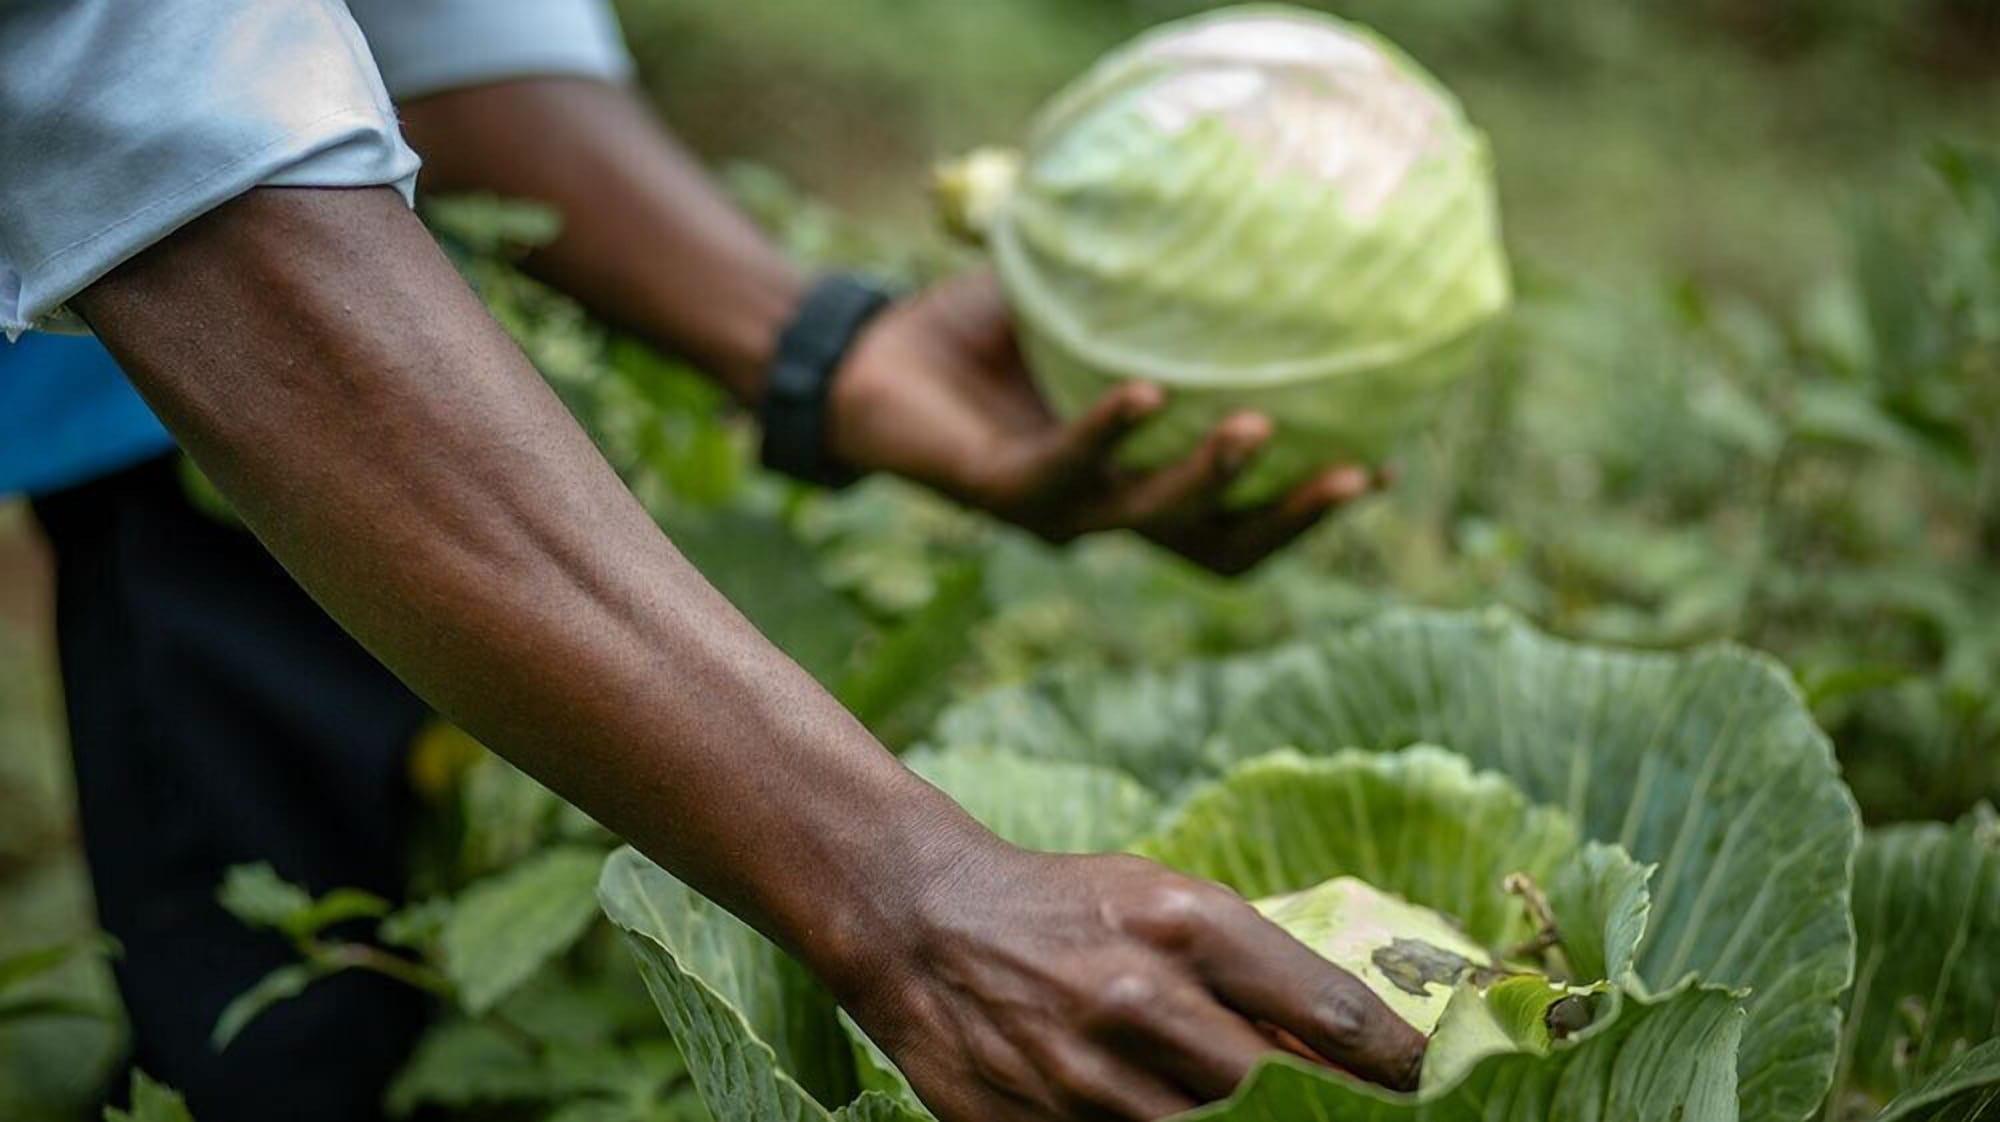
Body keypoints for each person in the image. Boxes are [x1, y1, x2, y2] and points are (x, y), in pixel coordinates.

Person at [0, 3, 1415, 1120]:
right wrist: (904, 889)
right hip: (185, 343)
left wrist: (826, 354)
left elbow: (411, 29)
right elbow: (136, 84)